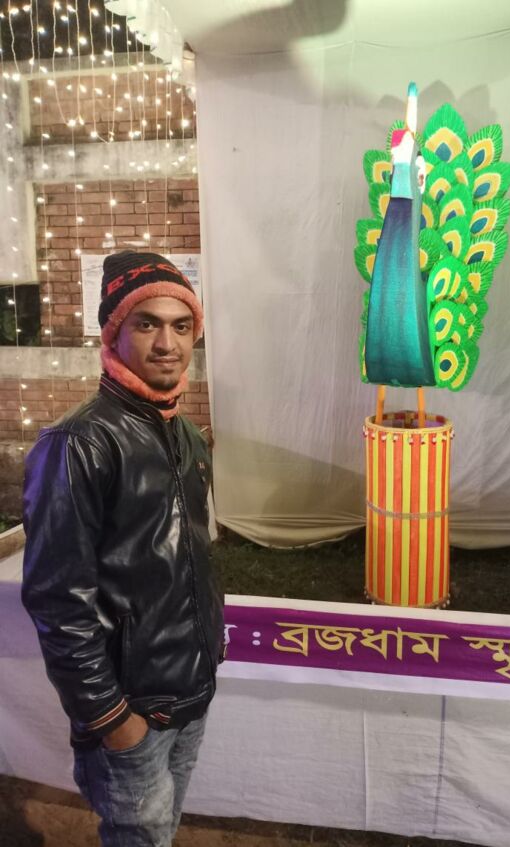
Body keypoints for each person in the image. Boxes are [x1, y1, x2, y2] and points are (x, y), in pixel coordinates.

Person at [22, 251, 225, 847]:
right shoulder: (78, 444)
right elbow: (59, 602)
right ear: (114, 332)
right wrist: (113, 720)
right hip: (130, 715)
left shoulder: (186, 435)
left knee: (161, 832)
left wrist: (209, 652)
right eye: (147, 324)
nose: (168, 343)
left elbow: (190, 557)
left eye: (181, 326)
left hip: (190, 693)